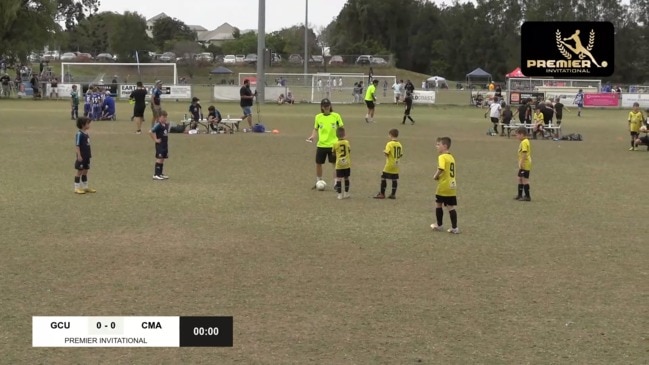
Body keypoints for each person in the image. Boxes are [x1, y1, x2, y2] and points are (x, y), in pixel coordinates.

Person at [307, 98, 344, 189]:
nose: (326, 107)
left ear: (330, 106)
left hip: (333, 145)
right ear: (322, 107)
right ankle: (318, 180)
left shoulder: (336, 116)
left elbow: (341, 128)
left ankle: (336, 183)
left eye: (328, 106)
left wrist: (341, 139)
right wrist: (312, 136)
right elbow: (316, 129)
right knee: (318, 163)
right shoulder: (318, 117)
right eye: (324, 106)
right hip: (321, 145)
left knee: (334, 164)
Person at [430, 137, 458, 233]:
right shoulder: (451, 157)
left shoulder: (442, 157)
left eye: (438, 144)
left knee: (438, 204)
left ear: (445, 146)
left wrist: (435, 176)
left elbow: (441, 168)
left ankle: (439, 225)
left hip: (444, 185)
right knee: (450, 206)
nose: (436, 146)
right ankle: (455, 228)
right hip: (452, 185)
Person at [374, 129, 403, 199]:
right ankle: (393, 194)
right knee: (394, 179)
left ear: (390, 135)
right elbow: (401, 154)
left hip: (389, 164)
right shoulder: (399, 144)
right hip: (397, 164)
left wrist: (384, 152)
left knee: (383, 177)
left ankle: (382, 193)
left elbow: (387, 153)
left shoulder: (389, 144)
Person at [73, 117, 96, 194]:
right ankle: (76, 188)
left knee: (85, 171)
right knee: (79, 171)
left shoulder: (86, 133)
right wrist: (79, 155)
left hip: (87, 156)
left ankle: (85, 187)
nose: (89, 125)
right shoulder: (79, 134)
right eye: (87, 123)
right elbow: (77, 146)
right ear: (83, 125)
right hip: (81, 156)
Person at [150, 110, 170, 180]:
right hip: (160, 145)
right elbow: (151, 131)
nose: (165, 118)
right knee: (159, 158)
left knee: (162, 159)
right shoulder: (158, 125)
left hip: (165, 144)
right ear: (159, 117)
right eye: (163, 117)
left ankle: (160, 174)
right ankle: (156, 174)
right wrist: (155, 140)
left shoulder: (166, 125)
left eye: (165, 117)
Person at [332, 127, 351, 199]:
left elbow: (333, 153)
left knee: (339, 178)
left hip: (339, 164)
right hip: (347, 164)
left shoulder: (335, 144)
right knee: (346, 178)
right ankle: (346, 193)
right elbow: (349, 150)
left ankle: (339, 195)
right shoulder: (347, 142)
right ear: (344, 134)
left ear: (336, 135)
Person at [514, 126, 532, 201]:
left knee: (525, 179)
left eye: (517, 135)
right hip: (524, 164)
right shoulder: (525, 141)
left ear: (522, 134)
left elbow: (524, 153)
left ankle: (527, 196)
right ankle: (520, 195)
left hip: (525, 164)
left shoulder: (524, 142)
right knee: (519, 178)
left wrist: (521, 163)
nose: (517, 136)